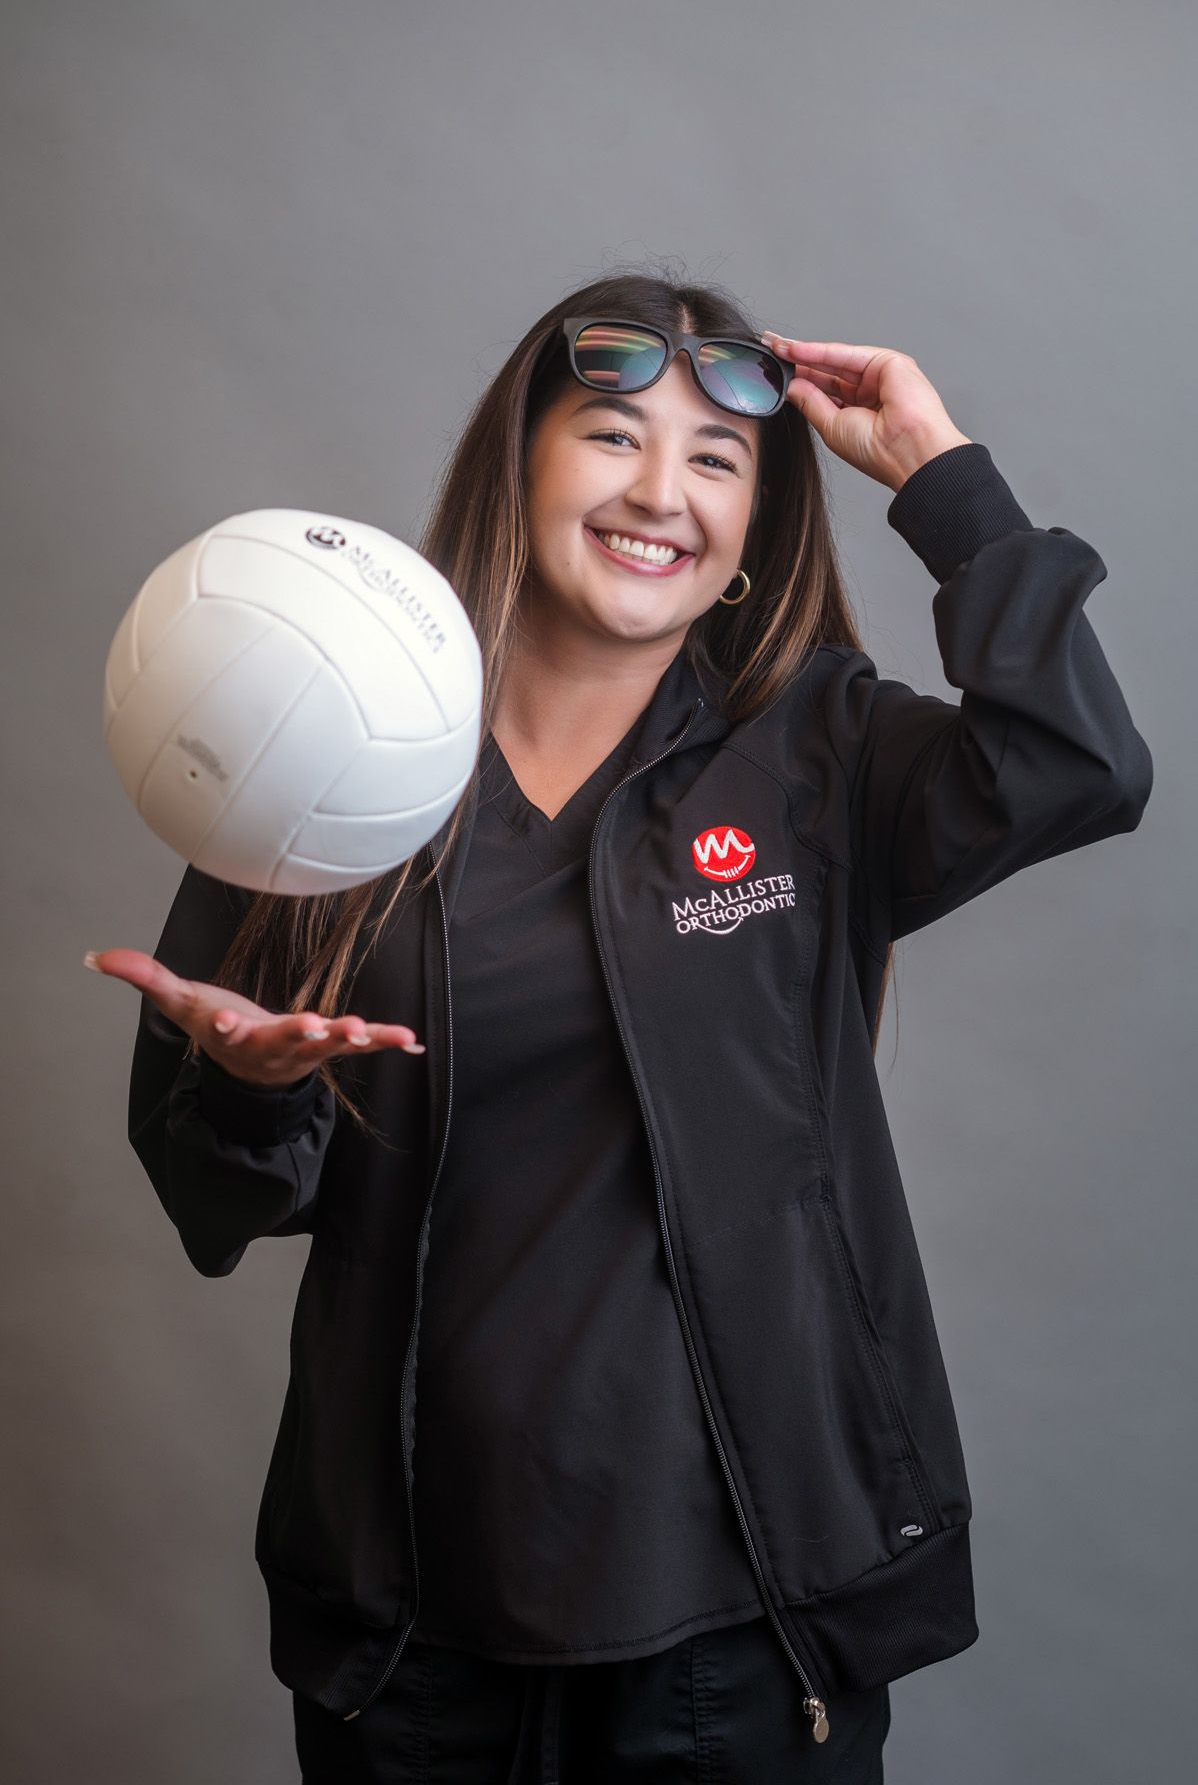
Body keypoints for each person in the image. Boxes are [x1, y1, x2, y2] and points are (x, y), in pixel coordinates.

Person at [92, 267, 1153, 1783]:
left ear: (752, 523)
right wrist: (250, 1090)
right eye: (610, 436)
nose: (661, 492)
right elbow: (217, 1203)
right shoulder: (322, 741)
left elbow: (1079, 765)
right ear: (517, 463)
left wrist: (942, 477)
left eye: (715, 459)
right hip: (417, 1634)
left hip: (741, 1622)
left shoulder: (817, 752)